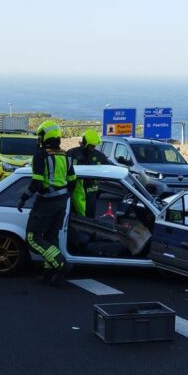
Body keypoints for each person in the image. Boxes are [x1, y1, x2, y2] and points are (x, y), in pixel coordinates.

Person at [18, 121, 77, 285]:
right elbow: (72, 181)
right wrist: (64, 197)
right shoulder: (66, 155)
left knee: (32, 238)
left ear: (44, 136)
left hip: (46, 203)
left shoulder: (41, 155)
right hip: (61, 203)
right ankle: (49, 274)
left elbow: (36, 183)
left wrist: (24, 198)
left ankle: (61, 264)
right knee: (51, 237)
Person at [67, 128, 111, 217]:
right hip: (75, 192)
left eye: (94, 146)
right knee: (74, 218)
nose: (93, 148)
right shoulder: (71, 153)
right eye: (91, 145)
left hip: (91, 192)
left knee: (90, 218)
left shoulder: (99, 156)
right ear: (85, 143)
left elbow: (112, 168)